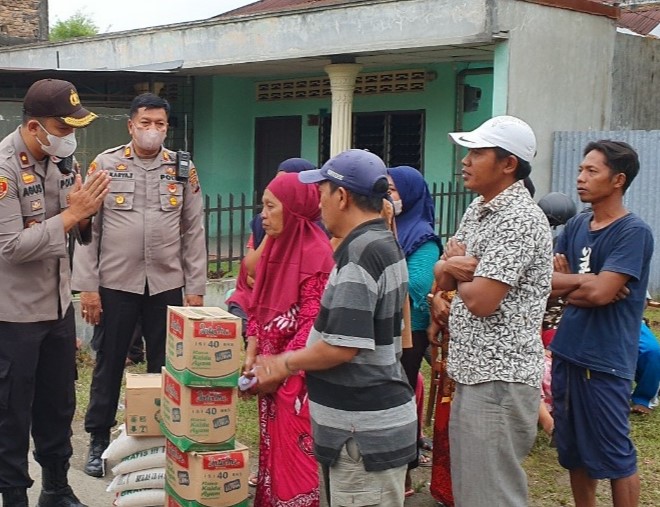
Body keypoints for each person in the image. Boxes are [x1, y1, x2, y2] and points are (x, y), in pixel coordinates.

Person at [253, 149, 417, 507]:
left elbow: (342, 347)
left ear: (341, 197)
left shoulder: (360, 254)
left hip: (363, 434)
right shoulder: (381, 242)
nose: (319, 202)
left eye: (323, 192)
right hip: (360, 427)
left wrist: (284, 363)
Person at [71, 92, 207, 478]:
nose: (152, 130)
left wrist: (195, 287)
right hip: (116, 283)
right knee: (110, 363)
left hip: (166, 283)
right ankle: (98, 440)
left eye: (159, 124)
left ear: (167, 127)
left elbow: (193, 229)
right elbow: (88, 230)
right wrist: (89, 287)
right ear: (131, 125)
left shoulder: (182, 168)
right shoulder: (106, 164)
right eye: (145, 123)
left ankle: (159, 438)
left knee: (166, 366)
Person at [0, 78, 110, 506]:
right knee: (10, 413)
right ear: (33, 127)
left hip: (56, 305)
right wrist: (73, 214)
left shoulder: (63, 159)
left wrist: (85, 216)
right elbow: (12, 247)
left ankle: (57, 489)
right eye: (63, 129)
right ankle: (14, 496)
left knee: (58, 405)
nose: (70, 138)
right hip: (13, 315)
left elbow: (79, 231)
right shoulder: (5, 168)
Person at [434, 116, 553, 506]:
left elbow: (482, 301)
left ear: (508, 164)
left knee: (493, 495)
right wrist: (456, 266)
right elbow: (443, 275)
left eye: (478, 152)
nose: (466, 161)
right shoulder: (478, 209)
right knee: (471, 491)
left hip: (500, 378)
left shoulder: (520, 219)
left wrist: (460, 270)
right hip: (473, 372)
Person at [550, 139, 653, 507]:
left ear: (618, 180)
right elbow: (546, 285)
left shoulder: (632, 232)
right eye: (581, 169)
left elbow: (599, 295)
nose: (581, 177)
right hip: (567, 352)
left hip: (604, 360)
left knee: (613, 453)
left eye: (591, 171)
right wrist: (587, 283)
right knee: (574, 449)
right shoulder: (577, 225)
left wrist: (575, 287)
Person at [242, 172, 333, 506]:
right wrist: (253, 351)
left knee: (297, 462)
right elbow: (257, 306)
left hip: (299, 379)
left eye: (270, 206)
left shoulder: (318, 254)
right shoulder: (275, 248)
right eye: (262, 206)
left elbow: (312, 325)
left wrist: (278, 369)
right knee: (273, 455)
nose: (262, 215)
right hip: (270, 372)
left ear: (294, 209)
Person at [386, 166, 442, 492]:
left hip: (411, 332)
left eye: (393, 189)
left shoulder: (422, 235)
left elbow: (418, 283)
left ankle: (404, 473)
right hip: (383, 330)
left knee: (400, 399)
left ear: (409, 193)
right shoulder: (387, 225)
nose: (388, 196)